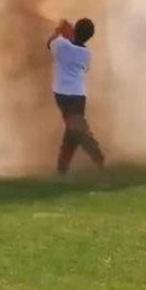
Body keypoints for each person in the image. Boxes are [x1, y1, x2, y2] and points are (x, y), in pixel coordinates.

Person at [47, 18, 105, 175]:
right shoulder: (86, 53)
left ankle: (67, 167)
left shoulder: (61, 44)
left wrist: (59, 30)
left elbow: (49, 43)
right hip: (78, 95)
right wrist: (68, 34)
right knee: (75, 130)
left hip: (62, 95)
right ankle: (95, 158)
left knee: (74, 131)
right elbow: (85, 69)